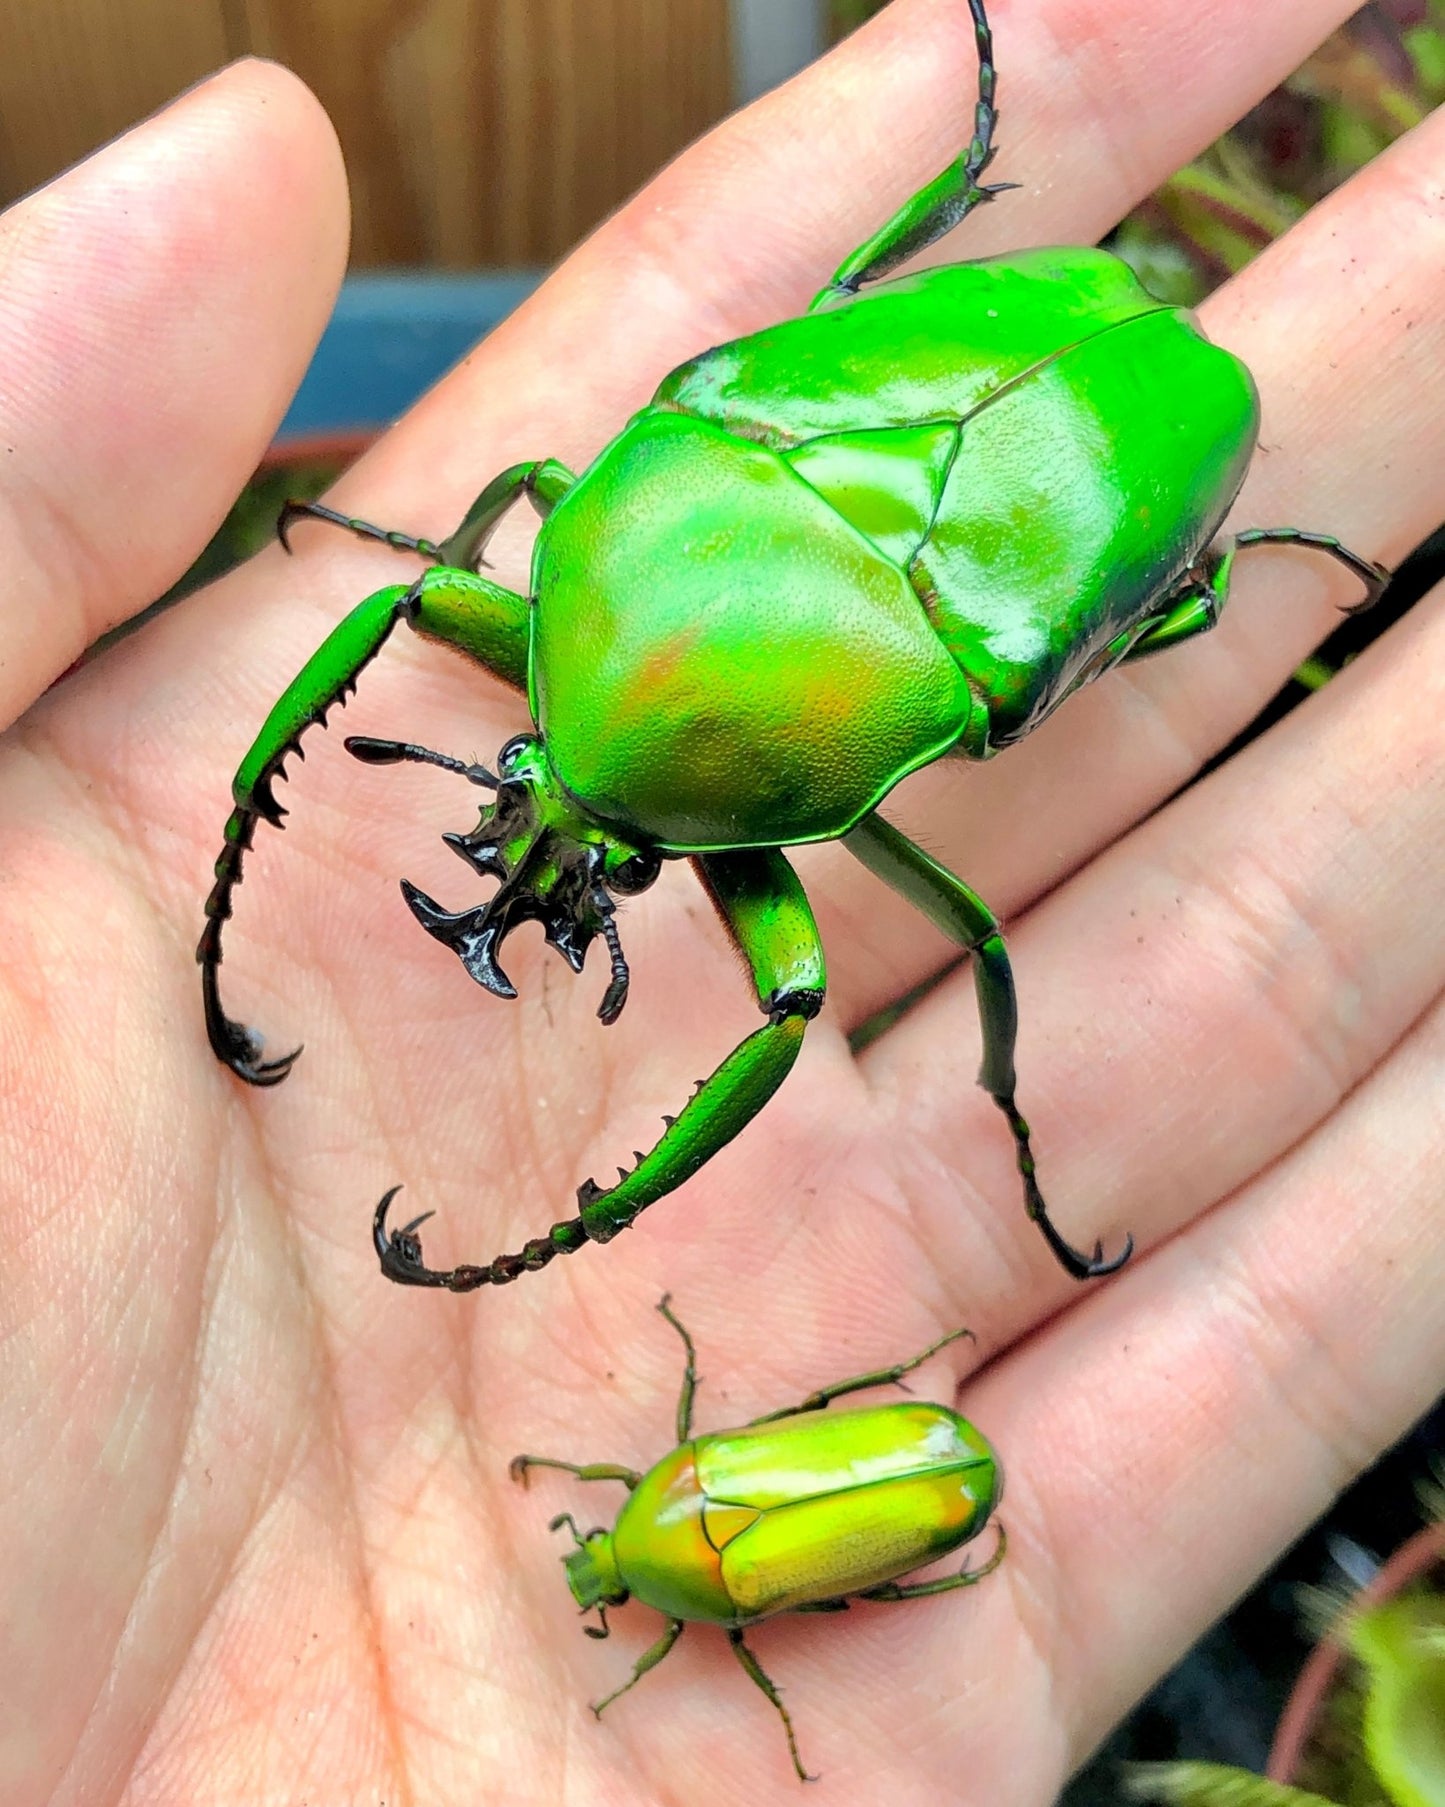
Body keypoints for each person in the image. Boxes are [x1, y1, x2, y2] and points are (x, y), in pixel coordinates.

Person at [1, 4, 1441, 1800]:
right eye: (571, 835)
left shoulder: (666, 560)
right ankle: (1006, 230)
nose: (533, 878)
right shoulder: (651, 508)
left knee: (1033, 770)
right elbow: (538, 495)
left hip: (1100, 434)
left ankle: (1082, 351)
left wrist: (557, 1226)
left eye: (590, 849)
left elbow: (534, 497)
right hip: (1022, 442)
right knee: (920, 773)